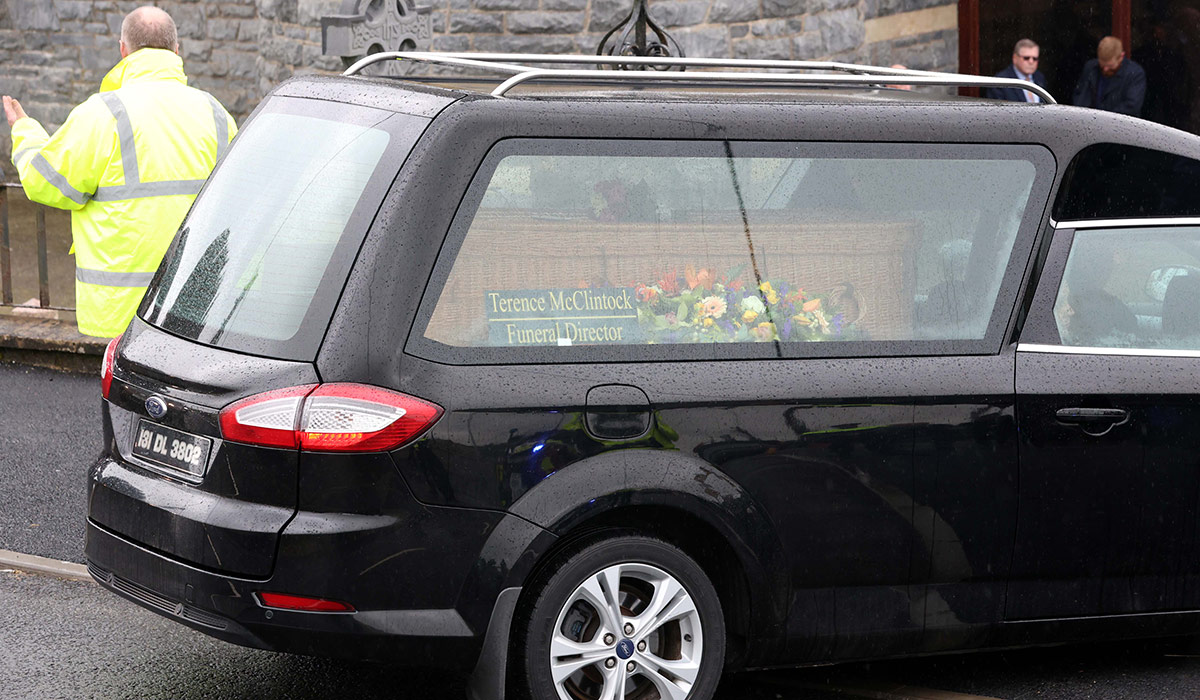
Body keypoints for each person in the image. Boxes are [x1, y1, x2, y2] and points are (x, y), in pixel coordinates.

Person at [4, 6, 236, 338]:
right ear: (176, 50)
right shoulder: (217, 114)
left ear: (123, 49)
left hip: (122, 311)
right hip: (196, 308)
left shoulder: (103, 113)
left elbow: (46, 182)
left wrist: (25, 131)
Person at [1072, 36, 1147, 117]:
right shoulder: (1091, 68)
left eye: (1110, 66)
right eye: (1102, 65)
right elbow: (1080, 96)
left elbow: (1131, 106)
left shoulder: (1135, 74)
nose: (1105, 69)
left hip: (1120, 125)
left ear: (1121, 57)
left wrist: (1104, 118)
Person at [985, 39, 1048, 103]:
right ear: (1015, 58)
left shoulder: (1040, 78)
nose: (1031, 62)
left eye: (1035, 58)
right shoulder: (1000, 82)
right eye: (1026, 58)